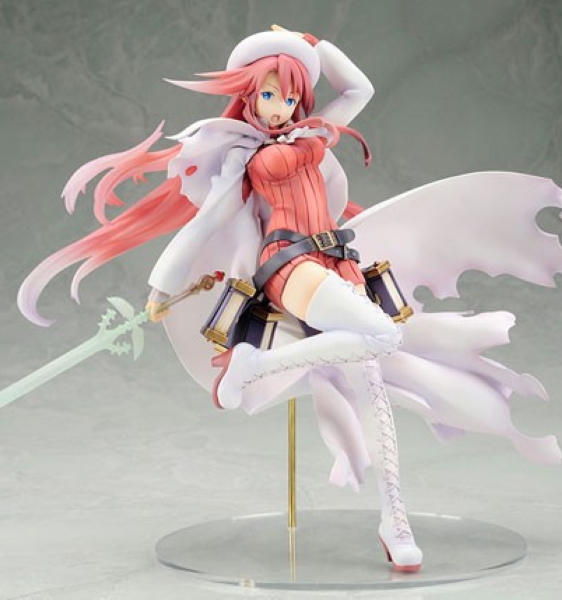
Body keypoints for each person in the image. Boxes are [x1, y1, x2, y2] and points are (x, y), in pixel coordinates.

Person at [17, 26, 562, 574]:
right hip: (289, 264)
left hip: (339, 262)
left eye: (291, 95)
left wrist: (312, 44)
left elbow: (360, 89)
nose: (280, 107)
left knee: (370, 384)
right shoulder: (245, 156)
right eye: (268, 94)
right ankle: (254, 366)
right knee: (383, 334)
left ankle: (394, 519)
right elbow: (204, 223)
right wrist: (162, 286)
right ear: (250, 97)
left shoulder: (313, 134)